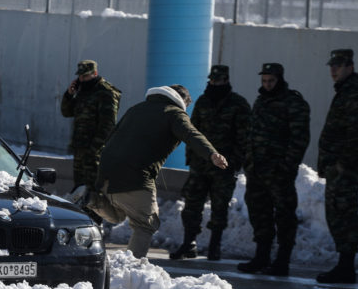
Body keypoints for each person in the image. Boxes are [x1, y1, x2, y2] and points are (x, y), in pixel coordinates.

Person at [89, 84, 228, 258]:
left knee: (117, 215)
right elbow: (192, 134)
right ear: (183, 101)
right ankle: (130, 269)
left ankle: (91, 199)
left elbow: (111, 136)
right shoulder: (174, 113)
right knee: (146, 224)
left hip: (106, 172)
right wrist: (211, 154)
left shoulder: (136, 108)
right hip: (135, 175)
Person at [170, 65, 251, 261]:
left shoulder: (238, 104)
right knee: (191, 206)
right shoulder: (203, 101)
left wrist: (235, 162)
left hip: (224, 166)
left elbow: (245, 136)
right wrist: (191, 157)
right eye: (213, 80)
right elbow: (192, 131)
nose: (215, 83)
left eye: (219, 80)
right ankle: (189, 244)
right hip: (200, 164)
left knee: (219, 207)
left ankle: (215, 246)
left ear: (226, 80)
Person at [239, 63, 310, 276]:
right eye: (264, 81)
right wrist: (249, 161)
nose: (267, 85)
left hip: (279, 171)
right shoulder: (260, 101)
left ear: (279, 79)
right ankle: (261, 256)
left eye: (271, 81)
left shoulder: (293, 103)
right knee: (259, 213)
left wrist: (287, 166)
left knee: (285, 214)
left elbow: (300, 138)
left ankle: (282, 260)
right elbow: (252, 133)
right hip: (257, 170)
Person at [316, 49, 358, 284]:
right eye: (332, 66)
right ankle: (344, 264)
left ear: (350, 67)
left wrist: (343, 165)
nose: (333, 70)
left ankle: (346, 267)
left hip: (345, 167)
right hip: (338, 167)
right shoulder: (345, 92)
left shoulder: (355, 94)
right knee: (337, 213)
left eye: (339, 66)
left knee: (345, 213)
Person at [60, 60, 121, 211]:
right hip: (80, 149)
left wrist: (94, 149)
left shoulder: (106, 92)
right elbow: (67, 112)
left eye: (86, 76)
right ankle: (80, 220)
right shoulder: (83, 91)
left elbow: (108, 126)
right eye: (80, 76)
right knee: (80, 189)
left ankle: (95, 222)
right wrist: (69, 94)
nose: (82, 79)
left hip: (95, 151)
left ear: (95, 73)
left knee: (94, 191)